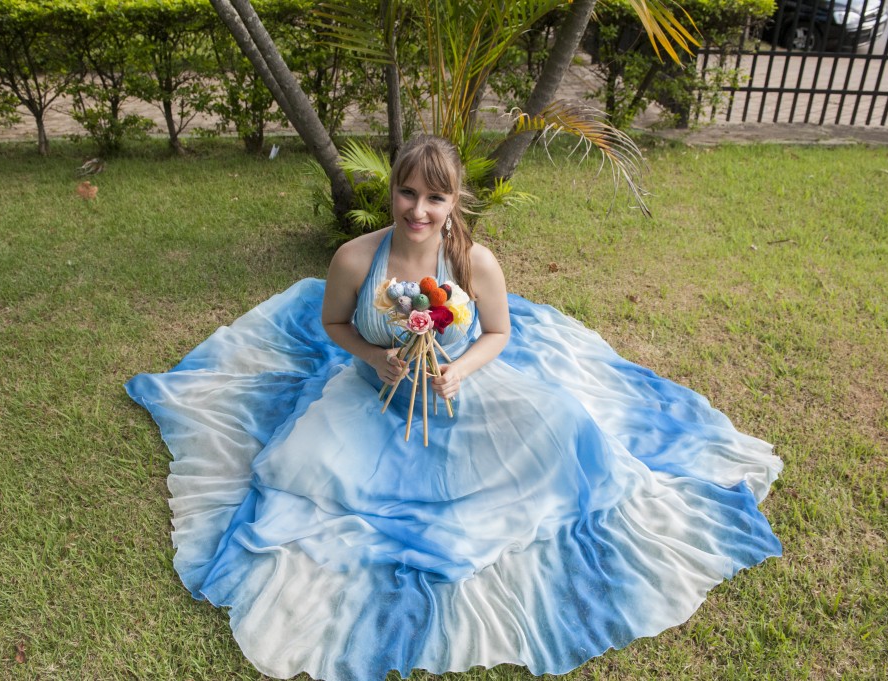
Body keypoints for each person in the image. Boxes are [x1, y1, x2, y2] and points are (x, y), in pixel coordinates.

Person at [126, 135, 782, 681]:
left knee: (566, 430)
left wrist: (458, 370)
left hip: (465, 397)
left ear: (453, 200)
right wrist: (374, 356)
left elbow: (499, 333)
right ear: (393, 192)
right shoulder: (356, 258)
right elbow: (332, 324)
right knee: (301, 470)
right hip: (371, 395)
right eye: (408, 192)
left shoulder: (473, 261)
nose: (419, 208)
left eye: (435, 196)